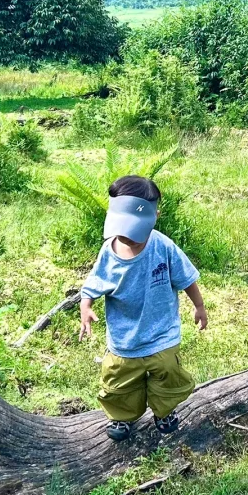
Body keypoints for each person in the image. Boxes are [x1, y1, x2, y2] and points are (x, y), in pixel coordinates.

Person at [79, 174, 208, 441]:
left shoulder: (163, 246)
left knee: (168, 376)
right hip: (124, 339)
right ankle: (122, 418)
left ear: (155, 216)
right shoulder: (109, 252)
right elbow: (92, 285)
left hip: (162, 334)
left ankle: (164, 412)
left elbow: (187, 278)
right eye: (123, 233)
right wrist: (86, 307)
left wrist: (199, 306)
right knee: (119, 382)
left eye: (136, 233)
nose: (130, 239)